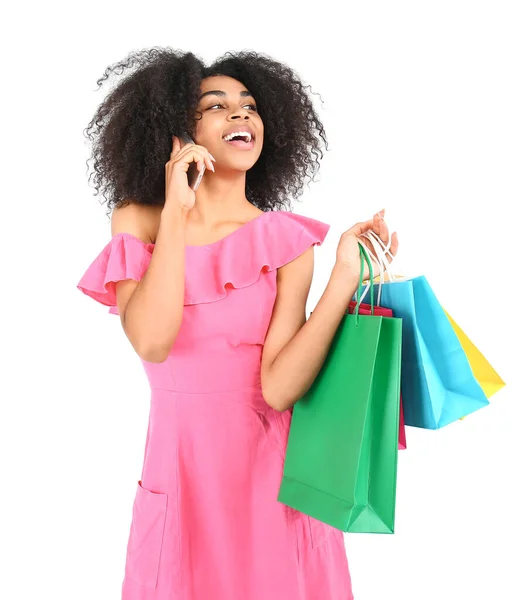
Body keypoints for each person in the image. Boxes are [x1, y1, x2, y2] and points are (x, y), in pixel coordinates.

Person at [76, 47, 398, 600]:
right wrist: (177, 211)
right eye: (217, 105)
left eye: (250, 106)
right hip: (180, 475)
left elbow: (278, 388)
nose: (242, 114)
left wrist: (343, 277)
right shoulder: (139, 220)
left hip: (270, 478)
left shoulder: (288, 242)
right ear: (179, 130)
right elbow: (152, 342)